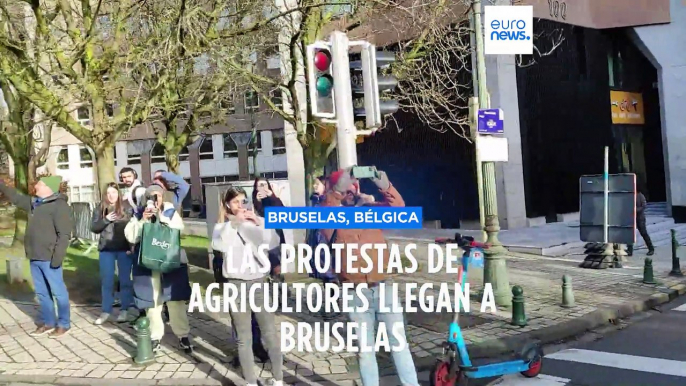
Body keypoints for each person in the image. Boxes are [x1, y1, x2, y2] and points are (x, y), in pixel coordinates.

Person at [321, 167, 419, 386]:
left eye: (354, 187)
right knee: (366, 351)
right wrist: (338, 188)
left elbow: (399, 210)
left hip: (383, 287)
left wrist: (384, 185)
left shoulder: (370, 210)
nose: (351, 191)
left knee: (399, 345)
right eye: (346, 188)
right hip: (354, 293)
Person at [211, 186, 283, 386]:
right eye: (235, 202)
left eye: (243, 201)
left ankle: (278, 379)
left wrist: (259, 223)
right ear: (227, 205)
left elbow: (274, 241)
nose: (241, 206)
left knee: (269, 333)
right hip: (236, 284)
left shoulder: (257, 222)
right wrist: (235, 224)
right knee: (244, 336)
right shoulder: (222, 227)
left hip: (258, 281)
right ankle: (251, 381)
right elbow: (218, 245)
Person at [0, 176, 73, 338]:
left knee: (58, 292)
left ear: (49, 187)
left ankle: (64, 324)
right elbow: (17, 198)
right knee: (41, 293)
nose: (36, 186)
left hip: (50, 258)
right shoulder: (35, 204)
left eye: (39, 184)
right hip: (35, 256)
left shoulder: (59, 206)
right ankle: (48, 322)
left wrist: (57, 258)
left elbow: (64, 235)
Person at [124, 184, 193, 354]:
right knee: (152, 302)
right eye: (151, 196)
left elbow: (180, 230)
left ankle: (182, 335)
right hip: (148, 262)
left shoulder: (170, 211)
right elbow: (131, 236)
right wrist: (143, 221)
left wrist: (161, 217)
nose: (155, 199)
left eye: (158, 196)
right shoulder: (139, 214)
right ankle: (155, 337)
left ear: (162, 197)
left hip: (169, 261)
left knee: (175, 300)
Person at [91, 182, 134, 324]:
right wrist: (105, 220)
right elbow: (94, 228)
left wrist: (131, 246)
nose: (111, 196)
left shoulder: (127, 208)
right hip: (106, 249)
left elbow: (133, 228)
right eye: (108, 193)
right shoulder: (100, 208)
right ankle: (106, 311)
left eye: (114, 193)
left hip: (124, 249)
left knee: (125, 281)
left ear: (118, 194)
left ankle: (124, 310)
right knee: (107, 281)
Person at [251, 177, 285, 278]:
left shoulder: (273, 199)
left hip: (276, 235)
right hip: (261, 237)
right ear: (256, 188)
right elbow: (259, 216)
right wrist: (257, 202)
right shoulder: (254, 201)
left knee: (277, 263)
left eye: (265, 184)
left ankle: (278, 284)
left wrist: (272, 197)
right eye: (260, 185)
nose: (263, 188)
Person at [628, 188, 654, 256]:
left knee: (643, 233)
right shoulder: (630, 196)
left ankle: (651, 248)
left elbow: (644, 206)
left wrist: (636, 210)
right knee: (630, 234)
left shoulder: (640, 195)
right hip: (631, 217)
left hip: (640, 217)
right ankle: (629, 250)